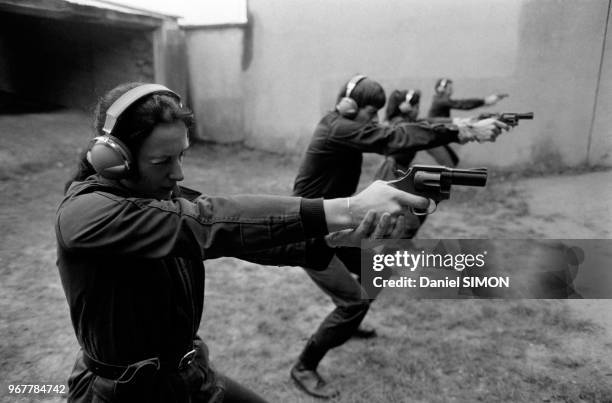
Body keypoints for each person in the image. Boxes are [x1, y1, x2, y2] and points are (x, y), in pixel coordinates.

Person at [55, 82, 430, 403]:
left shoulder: (159, 195)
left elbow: (243, 237)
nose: (178, 172)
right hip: (121, 393)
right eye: (162, 161)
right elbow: (206, 222)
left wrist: (327, 239)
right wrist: (347, 208)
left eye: (181, 155)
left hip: (186, 373)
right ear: (113, 158)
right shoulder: (85, 215)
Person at [290, 75, 510, 399]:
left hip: (332, 226)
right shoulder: (336, 127)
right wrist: (461, 130)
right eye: (371, 111)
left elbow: (404, 131)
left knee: (377, 268)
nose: (376, 118)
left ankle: (349, 322)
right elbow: (394, 136)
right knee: (353, 301)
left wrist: (463, 125)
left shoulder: (345, 126)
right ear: (350, 106)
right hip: (308, 234)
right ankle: (304, 367)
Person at [426, 77, 508, 166]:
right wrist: (484, 101)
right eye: (449, 88)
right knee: (449, 165)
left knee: (453, 162)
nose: (451, 91)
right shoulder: (440, 100)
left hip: (436, 135)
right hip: (432, 137)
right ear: (441, 89)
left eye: (451, 88)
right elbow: (462, 104)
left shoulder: (439, 100)